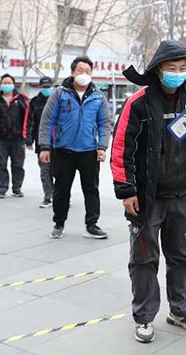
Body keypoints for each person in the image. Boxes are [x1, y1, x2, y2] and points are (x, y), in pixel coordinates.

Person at [111, 40, 186, 344]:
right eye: (172, 68)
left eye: (183, 68)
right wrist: (126, 190)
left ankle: (181, 310)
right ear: (157, 71)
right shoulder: (138, 103)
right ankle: (143, 316)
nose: (178, 74)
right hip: (147, 198)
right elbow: (121, 150)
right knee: (144, 259)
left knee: (184, 256)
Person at [38, 56, 112, 239]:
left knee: (91, 189)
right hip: (63, 151)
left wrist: (102, 146)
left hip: (89, 151)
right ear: (72, 72)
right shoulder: (60, 93)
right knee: (61, 189)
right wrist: (45, 147)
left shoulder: (98, 96)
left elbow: (105, 123)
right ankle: (59, 223)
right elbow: (47, 120)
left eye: (88, 71)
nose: (84, 74)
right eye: (80, 71)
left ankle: (92, 225)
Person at [0, 74, 28, 198]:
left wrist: (27, 137)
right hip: (0, 140)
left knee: (18, 165)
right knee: (1, 164)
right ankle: (2, 189)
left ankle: (17, 188)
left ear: (14, 85)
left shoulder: (21, 100)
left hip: (18, 140)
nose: (7, 85)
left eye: (9, 83)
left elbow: (28, 119)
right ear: (0, 85)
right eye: (4, 83)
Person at [24, 76, 55, 208]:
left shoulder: (60, 99)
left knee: (62, 172)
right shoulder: (35, 102)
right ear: (40, 87)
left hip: (60, 143)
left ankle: (63, 196)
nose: (47, 89)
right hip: (42, 143)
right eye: (44, 87)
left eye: (49, 87)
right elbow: (30, 121)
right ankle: (48, 197)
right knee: (45, 172)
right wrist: (29, 140)